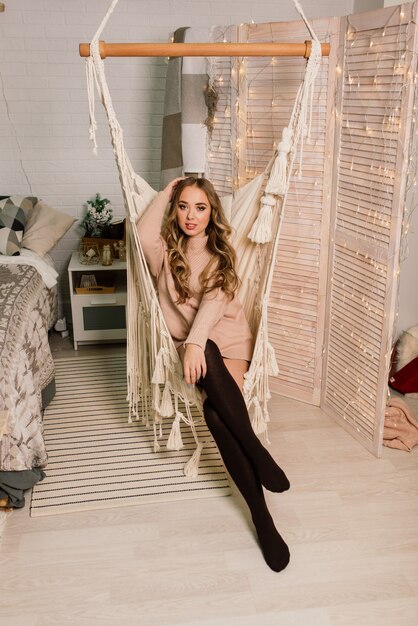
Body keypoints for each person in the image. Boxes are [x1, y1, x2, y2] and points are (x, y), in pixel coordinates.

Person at [137, 176, 290, 572]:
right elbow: (140, 235)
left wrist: (193, 343)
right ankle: (262, 501)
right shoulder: (165, 254)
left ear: (212, 213)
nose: (191, 215)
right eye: (184, 206)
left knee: (209, 380)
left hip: (229, 342)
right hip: (197, 348)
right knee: (214, 413)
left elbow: (214, 304)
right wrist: (168, 191)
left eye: (200, 207)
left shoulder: (222, 254)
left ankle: (261, 513)